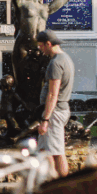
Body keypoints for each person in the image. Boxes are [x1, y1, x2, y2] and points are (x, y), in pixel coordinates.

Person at [35, 30, 74, 178]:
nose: (40, 50)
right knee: (45, 151)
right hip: (57, 111)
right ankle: (52, 181)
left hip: (54, 113)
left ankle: (63, 185)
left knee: (56, 153)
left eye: (41, 46)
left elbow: (53, 94)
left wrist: (45, 119)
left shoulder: (56, 63)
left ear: (48, 44)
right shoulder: (66, 59)